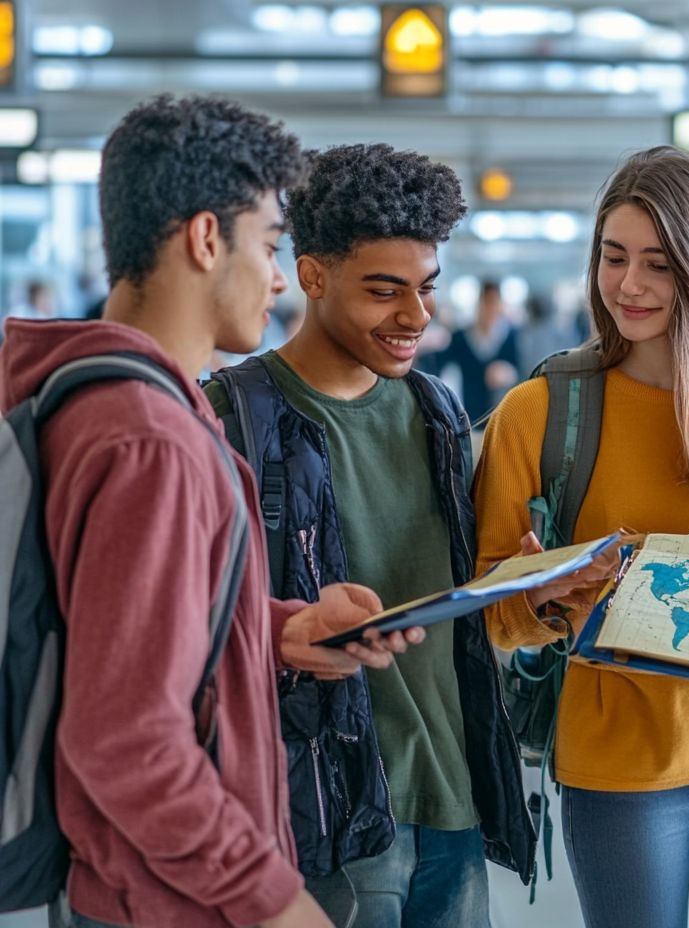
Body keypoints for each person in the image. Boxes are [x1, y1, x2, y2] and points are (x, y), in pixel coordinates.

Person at [0, 95, 418, 928]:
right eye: (267, 244)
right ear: (203, 239)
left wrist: (272, 629)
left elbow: (112, 626)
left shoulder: (79, 395)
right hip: (169, 898)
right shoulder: (150, 438)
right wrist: (274, 902)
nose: (275, 275)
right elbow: (129, 741)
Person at [472, 146, 689, 928]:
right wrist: (544, 594)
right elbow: (493, 612)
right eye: (614, 256)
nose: (628, 285)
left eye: (658, 265)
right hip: (619, 768)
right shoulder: (537, 414)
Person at [206, 143, 533, 928]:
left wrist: (528, 585)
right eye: (385, 292)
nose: (416, 317)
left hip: (454, 793)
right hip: (323, 808)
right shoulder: (232, 418)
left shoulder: (439, 413)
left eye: (425, 290)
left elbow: (467, 608)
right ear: (311, 276)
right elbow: (200, 626)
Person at [432, 279, 520, 421]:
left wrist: (509, 374)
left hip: (501, 415)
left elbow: (522, 370)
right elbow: (440, 368)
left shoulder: (512, 336)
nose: (490, 309)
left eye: (494, 303)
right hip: (467, 413)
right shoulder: (460, 337)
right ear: (478, 304)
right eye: (486, 302)